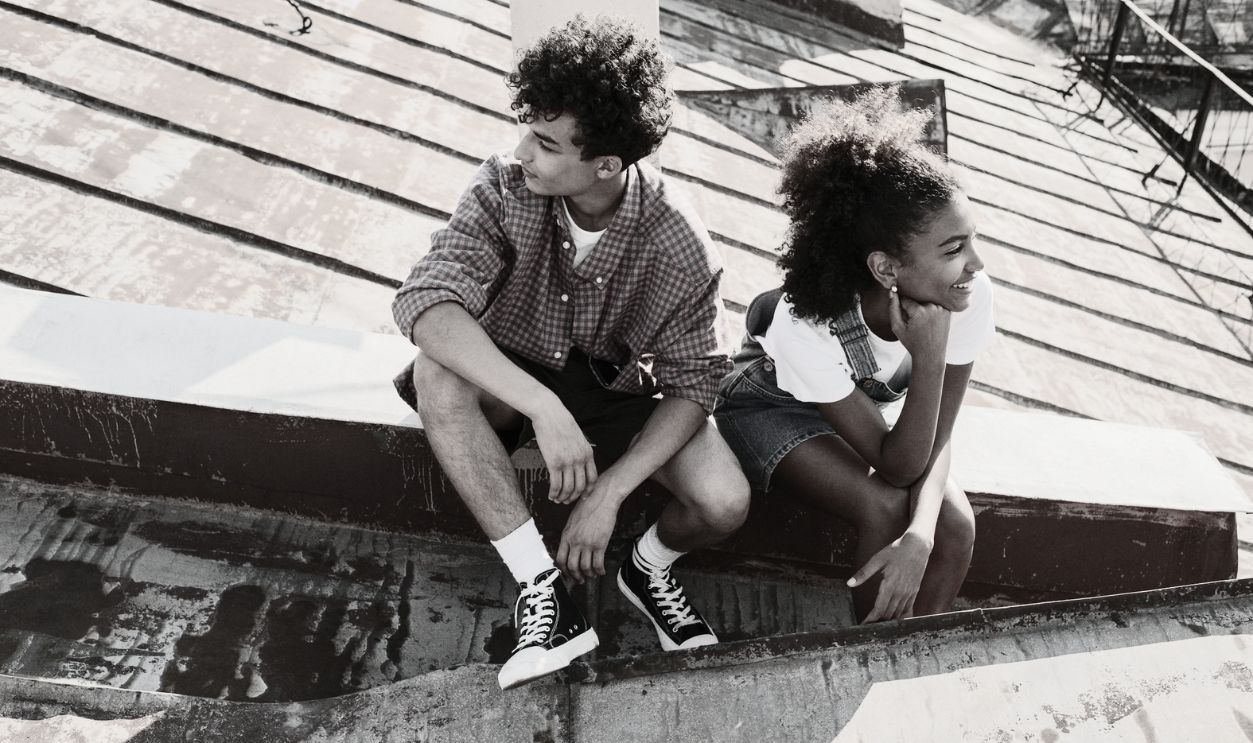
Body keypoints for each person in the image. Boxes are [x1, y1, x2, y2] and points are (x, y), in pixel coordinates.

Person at [391, 16, 750, 689]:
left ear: (605, 166)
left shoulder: (678, 242)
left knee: (723, 501)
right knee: (436, 368)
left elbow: (695, 384)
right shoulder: (503, 185)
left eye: (547, 142)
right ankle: (543, 592)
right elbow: (424, 304)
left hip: (614, 388)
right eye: (527, 128)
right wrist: (542, 406)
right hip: (511, 373)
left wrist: (610, 492)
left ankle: (645, 569)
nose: (522, 150)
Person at [713, 87, 993, 624]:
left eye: (972, 239)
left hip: (851, 411)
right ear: (887, 270)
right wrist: (929, 357)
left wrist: (922, 533)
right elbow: (896, 466)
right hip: (766, 403)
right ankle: (867, 654)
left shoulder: (966, 295)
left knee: (955, 526)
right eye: (954, 249)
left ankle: (915, 653)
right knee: (883, 504)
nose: (977, 264)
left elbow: (940, 431)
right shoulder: (807, 325)